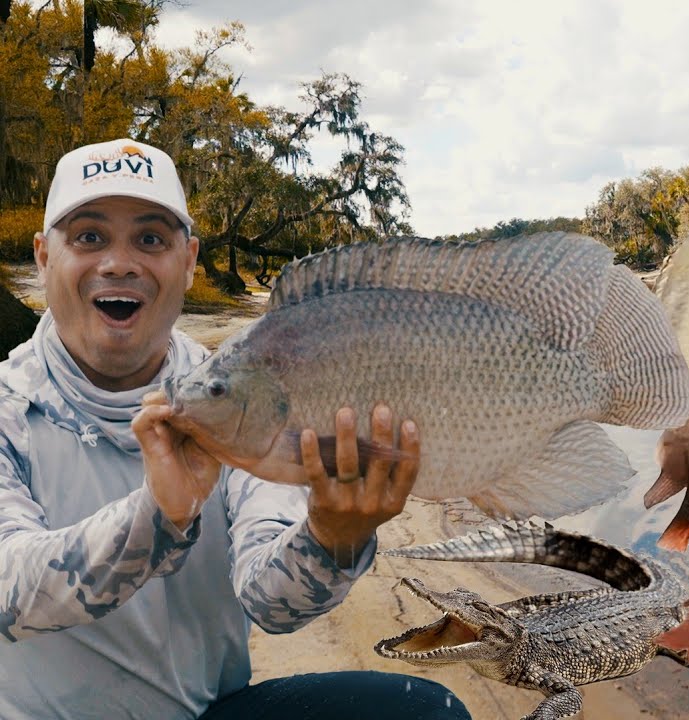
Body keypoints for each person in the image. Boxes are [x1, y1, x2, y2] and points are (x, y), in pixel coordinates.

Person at [0, 138, 471, 719]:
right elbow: (8, 595)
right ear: (44, 258)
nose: (119, 262)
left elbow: (272, 605)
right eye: (89, 236)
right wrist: (158, 516)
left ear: (190, 259)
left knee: (425, 712)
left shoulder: (237, 393)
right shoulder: (7, 406)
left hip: (208, 715)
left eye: (150, 238)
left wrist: (332, 538)